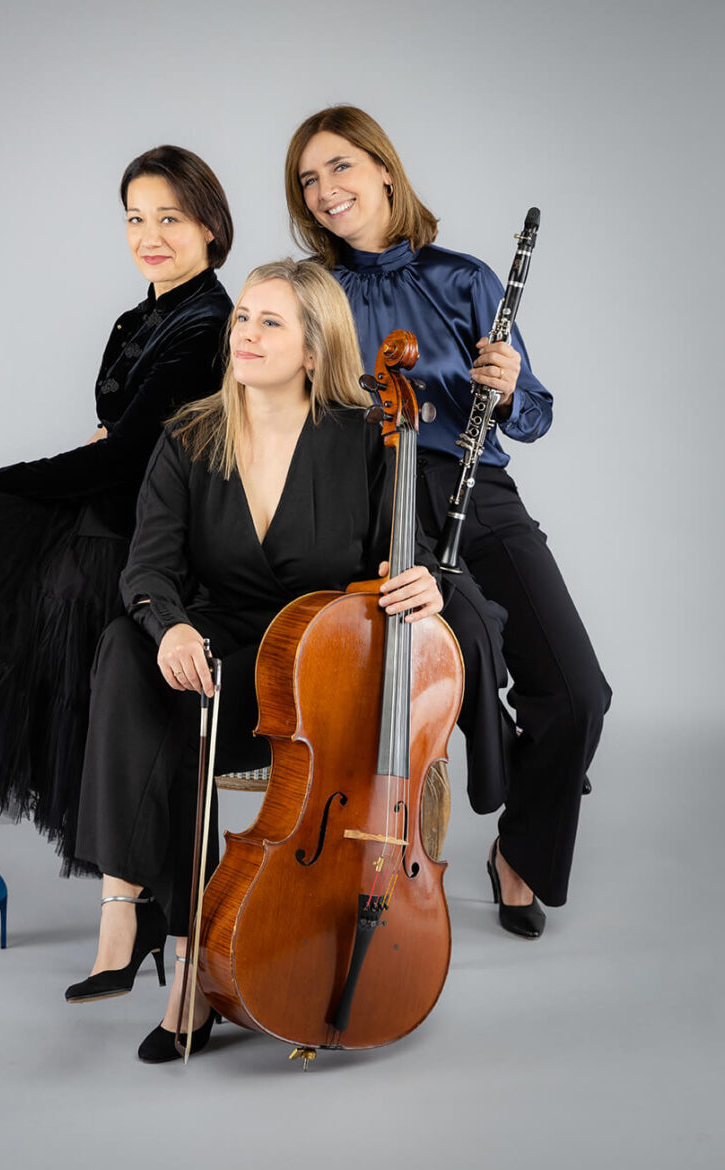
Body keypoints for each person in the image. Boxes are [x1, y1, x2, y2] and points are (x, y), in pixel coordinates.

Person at [0, 146, 234, 953]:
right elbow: (111, 438)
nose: (149, 236)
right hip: (95, 513)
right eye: (135, 218)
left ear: (210, 225)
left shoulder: (208, 325)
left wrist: (6, 479)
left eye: (170, 218)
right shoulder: (138, 319)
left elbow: (125, 460)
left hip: (137, 539)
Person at [67, 258, 445, 1062]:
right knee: (129, 649)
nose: (244, 333)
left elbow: (409, 557)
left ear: (314, 348)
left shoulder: (365, 436)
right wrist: (170, 627)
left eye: (271, 322)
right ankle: (144, 925)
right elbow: (147, 569)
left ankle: (171, 946)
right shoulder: (190, 434)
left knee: (174, 719)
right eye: (242, 316)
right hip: (219, 646)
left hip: (318, 677)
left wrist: (424, 583)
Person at [285, 106, 611, 937]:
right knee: (465, 635)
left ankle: (518, 851)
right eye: (309, 180)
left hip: (476, 488)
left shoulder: (464, 279)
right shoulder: (312, 291)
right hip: (372, 501)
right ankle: (492, 768)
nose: (325, 190)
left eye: (340, 167)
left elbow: (533, 415)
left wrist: (505, 389)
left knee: (578, 693)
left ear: (383, 168)